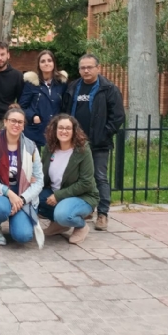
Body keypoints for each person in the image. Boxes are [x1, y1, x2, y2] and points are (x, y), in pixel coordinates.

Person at [61, 53, 124, 232]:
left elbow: (118, 116)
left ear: (98, 68)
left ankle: (102, 213)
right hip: (74, 143)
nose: (86, 70)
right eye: (82, 67)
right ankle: (86, 209)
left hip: (98, 143)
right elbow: (65, 112)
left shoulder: (109, 89)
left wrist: (103, 135)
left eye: (89, 67)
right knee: (77, 178)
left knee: (99, 177)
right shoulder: (73, 87)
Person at [0, 104, 43, 246]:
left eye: (20, 122)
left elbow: (39, 181)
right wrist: (9, 193)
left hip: (23, 192)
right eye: (13, 120)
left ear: (24, 126)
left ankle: (18, 218)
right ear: (5, 122)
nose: (16, 124)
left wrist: (22, 199)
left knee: (23, 236)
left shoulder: (31, 147)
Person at [38, 115, 99, 245]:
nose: (64, 131)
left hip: (82, 196)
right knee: (33, 199)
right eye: (60, 128)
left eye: (68, 128)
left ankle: (81, 226)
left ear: (74, 131)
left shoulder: (82, 150)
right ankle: (59, 225)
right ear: (54, 130)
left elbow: (86, 182)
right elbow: (44, 174)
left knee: (64, 214)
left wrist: (58, 196)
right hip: (56, 193)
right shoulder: (50, 148)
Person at [19, 50, 68, 151]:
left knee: (52, 163)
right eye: (43, 61)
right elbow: (22, 106)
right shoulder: (31, 83)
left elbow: (65, 105)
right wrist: (33, 116)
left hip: (55, 129)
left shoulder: (61, 84)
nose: (46, 63)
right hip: (35, 129)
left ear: (54, 63)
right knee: (33, 163)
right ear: (39, 65)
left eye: (49, 60)